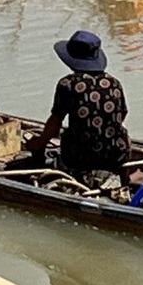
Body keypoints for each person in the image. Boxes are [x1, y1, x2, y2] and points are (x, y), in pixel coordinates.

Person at [26, 30, 130, 182]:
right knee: (123, 133)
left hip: (80, 158)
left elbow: (55, 122)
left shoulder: (67, 84)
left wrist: (39, 144)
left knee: (59, 144)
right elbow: (121, 117)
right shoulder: (114, 83)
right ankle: (124, 175)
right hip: (116, 156)